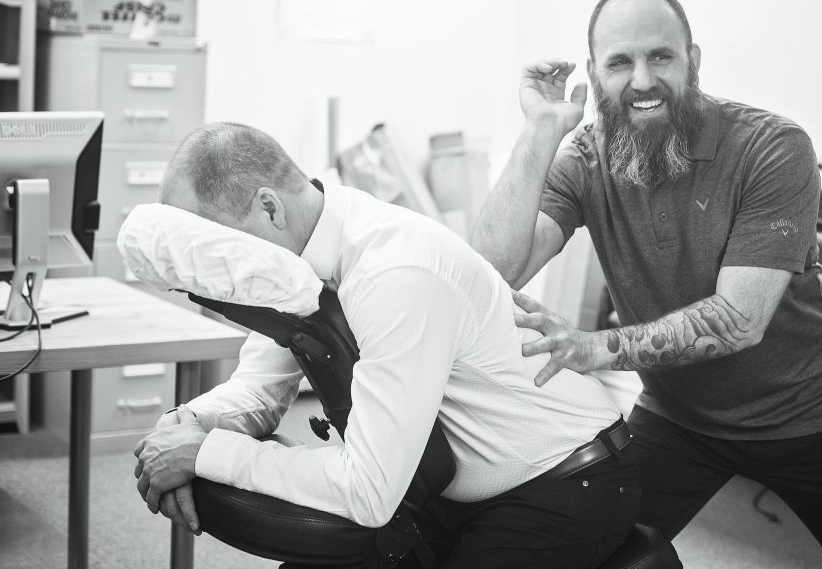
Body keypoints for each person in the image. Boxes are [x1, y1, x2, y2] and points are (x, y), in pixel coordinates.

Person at [471, 0, 822, 569]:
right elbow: (493, 268)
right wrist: (541, 129)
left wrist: (593, 348)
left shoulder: (771, 147)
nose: (643, 80)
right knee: (609, 549)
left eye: (661, 56)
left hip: (804, 413)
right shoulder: (584, 155)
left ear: (693, 61)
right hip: (680, 417)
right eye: (620, 62)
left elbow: (738, 321)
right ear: (594, 74)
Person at [132, 122, 641, 568]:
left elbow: (368, 490)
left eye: (210, 243)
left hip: (567, 482)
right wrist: (185, 427)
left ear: (269, 207)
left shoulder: (395, 275)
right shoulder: (293, 263)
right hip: (444, 486)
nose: (214, 267)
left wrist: (205, 453)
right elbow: (259, 392)